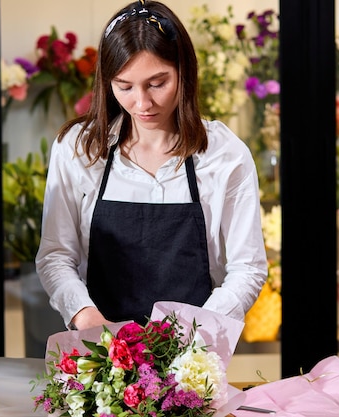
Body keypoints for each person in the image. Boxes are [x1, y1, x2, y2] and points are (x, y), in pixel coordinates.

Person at [35, 0, 268, 331]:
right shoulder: (78, 148)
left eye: (157, 83)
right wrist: (88, 321)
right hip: (101, 356)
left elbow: (248, 268)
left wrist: (194, 334)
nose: (142, 103)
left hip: (194, 358)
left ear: (183, 72)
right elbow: (56, 256)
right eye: (125, 87)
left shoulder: (225, 155)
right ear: (106, 82)